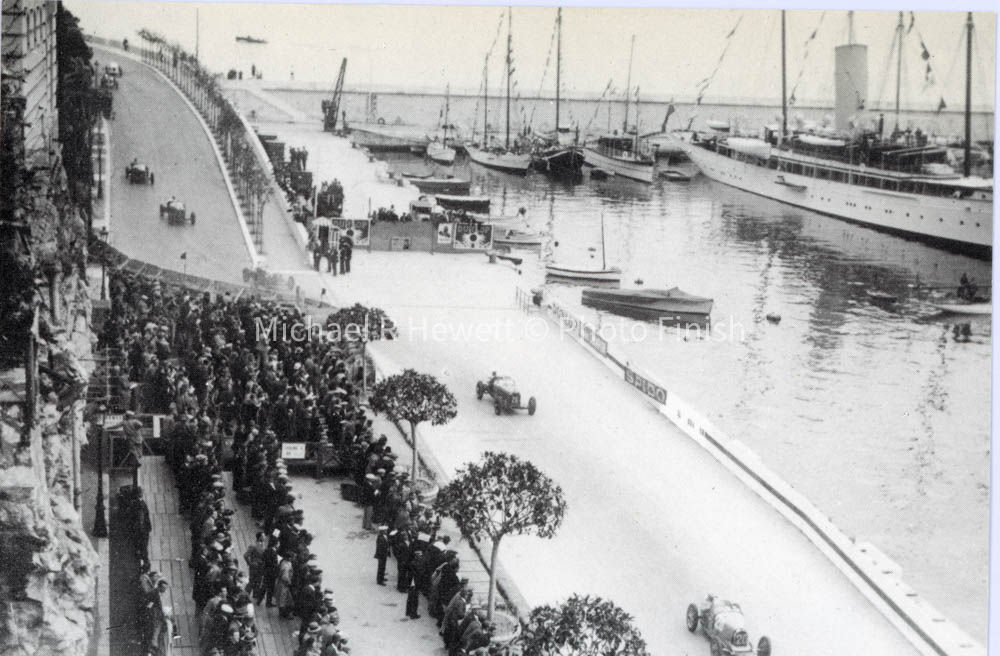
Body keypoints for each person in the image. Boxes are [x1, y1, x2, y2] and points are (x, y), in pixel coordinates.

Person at [244, 532, 266, 602]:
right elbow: (246, 555)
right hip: (255, 566)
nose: (265, 537)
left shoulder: (263, 545)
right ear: (259, 537)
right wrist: (250, 563)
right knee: (252, 581)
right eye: (263, 536)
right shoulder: (253, 546)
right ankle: (245, 595)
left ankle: (255, 594)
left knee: (258, 581)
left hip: (261, 566)